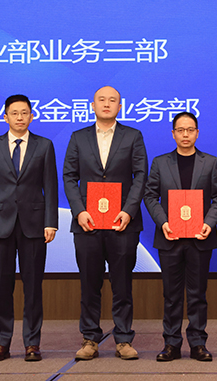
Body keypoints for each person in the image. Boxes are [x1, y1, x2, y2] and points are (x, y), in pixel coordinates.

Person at [63, 85, 147, 361]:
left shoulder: (133, 136)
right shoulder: (78, 137)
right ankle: (90, 339)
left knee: (122, 284)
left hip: (122, 223)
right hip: (87, 223)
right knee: (90, 285)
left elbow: (140, 176)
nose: (107, 104)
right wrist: (79, 211)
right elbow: (69, 176)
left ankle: (123, 339)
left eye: (113, 100)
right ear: (93, 105)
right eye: (102, 99)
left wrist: (128, 211)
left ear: (120, 107)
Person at [0, 94, 58, 362]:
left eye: (25, 113)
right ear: (5, 117)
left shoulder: (44, 145)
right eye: (15, 113)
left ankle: (32, 343)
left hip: (34, 226)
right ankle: (1, 342)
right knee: (3, 286)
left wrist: (51, 222)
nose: (20, 117)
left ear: (31, 116)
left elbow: (50, 186)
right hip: (0, 224)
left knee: (33, 287)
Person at [144, 112, 217, 362]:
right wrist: (163, 222)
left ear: (197, 133)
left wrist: (209, 223)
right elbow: (150, 195)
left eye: (190, 130)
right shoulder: (160, 163)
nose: (185, 135)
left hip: (200, 238)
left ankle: (198, 343)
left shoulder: (210, 162)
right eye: (180, 130)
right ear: (173, 134)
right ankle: (171, 344)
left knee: (197, 294)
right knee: (171, 295)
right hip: (169, 237)